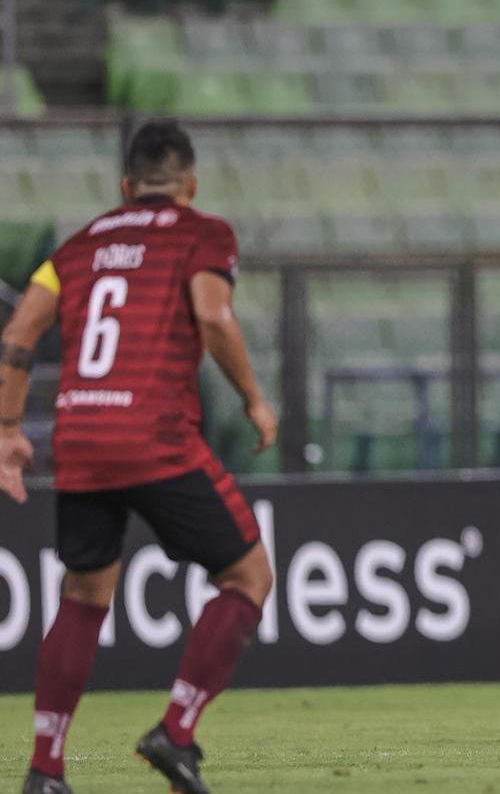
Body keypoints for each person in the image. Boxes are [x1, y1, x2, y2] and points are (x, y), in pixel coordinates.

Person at [0, 119, 277, 794]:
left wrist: (8, 429)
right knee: (248, 577)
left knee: (84, 593)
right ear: (190, 185)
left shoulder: (76, 247)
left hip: (82, 436)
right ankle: (175, 733)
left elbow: (18, 334)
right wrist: (253, 399)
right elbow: (213, 316)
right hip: (154, 433)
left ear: (125, 187)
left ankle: (45, 770)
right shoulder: (203, 233)